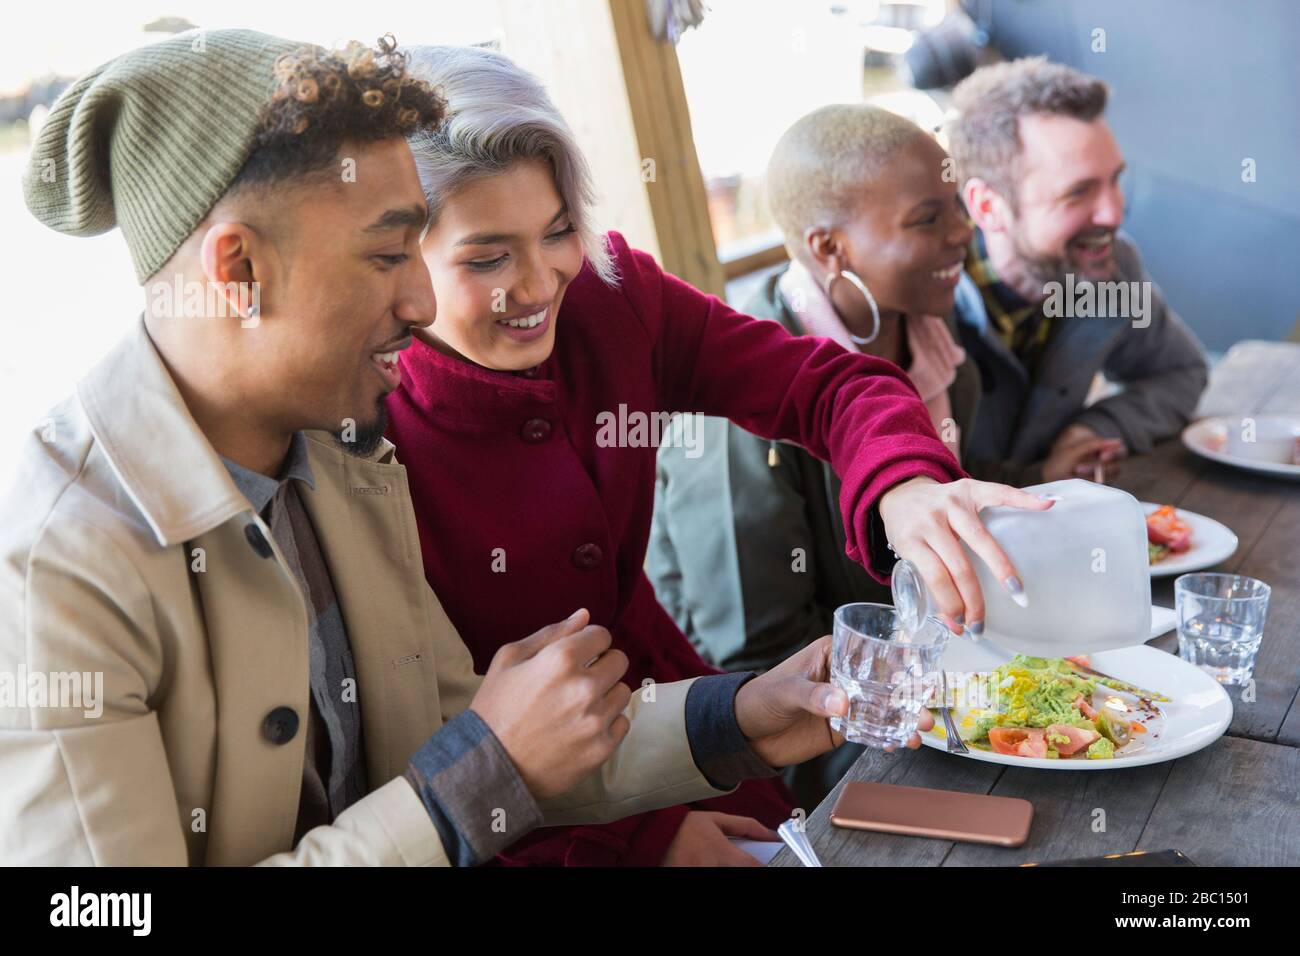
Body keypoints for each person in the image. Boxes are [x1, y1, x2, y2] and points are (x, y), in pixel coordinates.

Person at [0, 30, 882, 866]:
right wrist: (479, 772)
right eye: (389, 256)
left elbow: (487, 737)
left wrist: (738, 718)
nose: (425, 304)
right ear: (238, 273)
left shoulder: (345, 459)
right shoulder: (57, 566)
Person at [387, 45, 1049, 865]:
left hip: (693, 720)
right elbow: (424, 763)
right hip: (533, 823)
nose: (539, 284)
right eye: (487, 258)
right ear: (398, 260)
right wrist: (642, 838)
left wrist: (904, 482)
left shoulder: (612, 295)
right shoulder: (360, 428)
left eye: (558, 232)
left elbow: (826, 384)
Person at [649, 104, 987, 806]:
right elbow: (752, 662)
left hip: (921, 693)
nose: (963, 231)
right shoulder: (736, 420)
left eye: (956, 206)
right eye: (928, 220)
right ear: (829, 249)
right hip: (801, 758)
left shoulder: (942, 348)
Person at [947, 57, 1207, 478]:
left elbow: (1181, 372)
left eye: (1115, 180)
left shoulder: (1108, 270)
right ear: (988, 206)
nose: (1114, 213)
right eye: (1078, 192)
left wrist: (1093, 428)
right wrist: (1040, 478)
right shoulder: (921, 302)